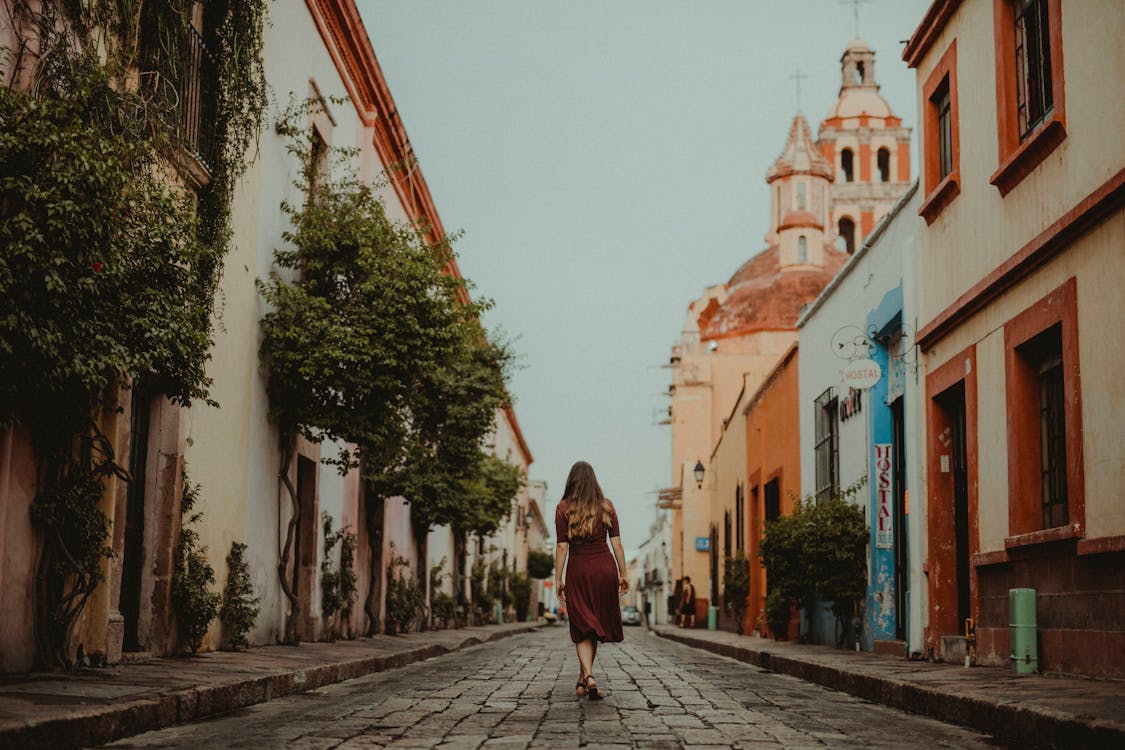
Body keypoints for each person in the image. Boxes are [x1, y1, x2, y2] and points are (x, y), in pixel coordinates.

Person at [554, 461, 628, 700]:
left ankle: (589, 676)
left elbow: (562, 547)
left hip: (579, 570)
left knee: (582, 625)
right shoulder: (607, 506)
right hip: (605, 569)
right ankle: (582, 680)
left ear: (571, 481)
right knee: (592, 624)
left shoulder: (564, 508)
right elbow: (616, 542)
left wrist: (558, 578)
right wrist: (623, 573)